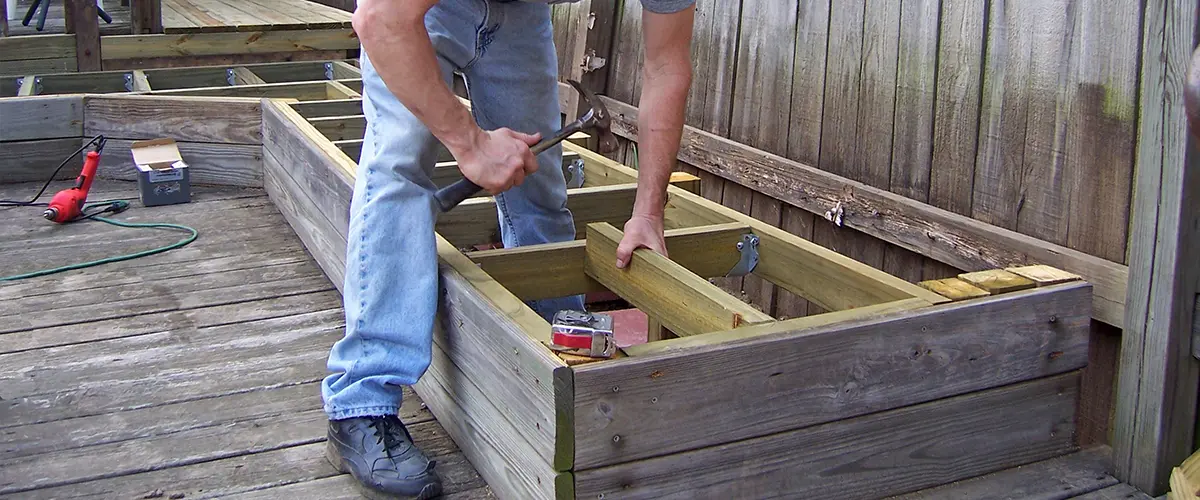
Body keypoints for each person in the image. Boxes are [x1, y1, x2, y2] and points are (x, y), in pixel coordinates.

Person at [321, 0, 695, 497]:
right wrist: (469, 142)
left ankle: (561, 359)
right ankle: (360, 403)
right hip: (420, 11)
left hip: (521, 13)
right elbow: (379, 21)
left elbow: (667, 65)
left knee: (539, 189)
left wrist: (648, 211)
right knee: (400, 167)